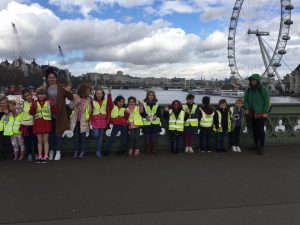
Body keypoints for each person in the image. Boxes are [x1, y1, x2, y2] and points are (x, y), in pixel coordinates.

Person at [45, 67, 73, 160]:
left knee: (58, 134)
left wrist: (68, 91)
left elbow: (70, 98)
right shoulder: (46, 88)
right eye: (50, 77)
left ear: (56, 78)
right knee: (50, 134)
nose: (51, 79)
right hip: (48, 115)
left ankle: (58, 151)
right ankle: (51, 151)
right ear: (47, 79)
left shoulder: (61, 87)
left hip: (59, 114)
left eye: (53, 77)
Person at [244, 73, 270, 155]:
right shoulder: (248, 89)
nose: (252, 81)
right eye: (251, 80)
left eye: (254, 80)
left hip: (260, 113)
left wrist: (265, 112)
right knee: (254, 130)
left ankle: (261, 147)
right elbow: (246, 100)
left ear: (258, 81)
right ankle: (255, 145)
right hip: (252, 113)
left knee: (260, 131)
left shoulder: (263, 89)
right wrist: (247, 108)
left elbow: (267, 101)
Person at [30, 87, 57, 163]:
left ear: (46, 95)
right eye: (39, 94)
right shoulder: (34, 102)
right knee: (39, 141)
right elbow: (31, 113)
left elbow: (55, 112)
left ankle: (45, 156)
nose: (41, 96)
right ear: (37, 95)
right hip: (38, 123)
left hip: (46, 123)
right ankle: (40, 155)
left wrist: (52, 105)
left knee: (45, 140)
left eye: (43, 94)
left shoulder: (49, 102)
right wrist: (33, 107)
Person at [69, 84, 91, 159]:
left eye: (89, 91)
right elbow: (70, 106)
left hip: (84, 121)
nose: (89, 92)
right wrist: (76, 102)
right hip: (75, 121)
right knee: (76, 137)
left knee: (83, 137)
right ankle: (75, 151)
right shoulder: (75, 97)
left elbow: (90, 110)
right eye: (88, 90)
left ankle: (82, 152)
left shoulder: (89, 99)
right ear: (83, 90)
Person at [90, 87, 113, 158]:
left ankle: (98, 151)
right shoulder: (92, 101)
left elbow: (111, 106)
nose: (99, 95)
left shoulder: (105, 101)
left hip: (103, 122)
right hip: (95, 122)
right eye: (97, 93)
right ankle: (91, 132)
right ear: (95, 94)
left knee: (100, 138)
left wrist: (109, 93)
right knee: (96, 135)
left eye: (100, 93)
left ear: (103, 94)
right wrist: (90, 122)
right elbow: (89, 111)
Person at [20, 89, 37, 161]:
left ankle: (36, 154)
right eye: (25, 96)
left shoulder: (36, 102)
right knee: (27, 141)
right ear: (24, 97)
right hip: (25, 125)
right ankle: (29, 154)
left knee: (35, 140)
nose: (28, 97)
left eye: (28, 95)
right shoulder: (23, 103)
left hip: (34, 124)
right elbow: (20, 112)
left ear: (31, 94)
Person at [0, 96, 12, 160]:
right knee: (1, 142)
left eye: (4, 103)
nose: (3, 104)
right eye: (1, 103)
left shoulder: (9, 110)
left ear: (7, 103)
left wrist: (7, 113)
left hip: (8, 129)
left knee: (8, 142)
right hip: (0, 129)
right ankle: (2, 156)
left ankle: (9, 155)